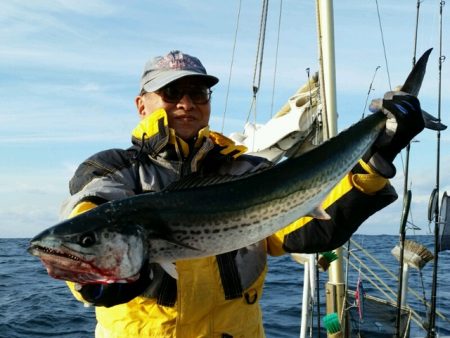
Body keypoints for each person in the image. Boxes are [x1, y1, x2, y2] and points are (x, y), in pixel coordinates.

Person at [63, 50, 424, 337]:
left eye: (198, 93)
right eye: (171, 92)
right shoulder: (111, 170)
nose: (186, 103)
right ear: (142, 104)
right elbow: (86, 228)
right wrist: (98, 282)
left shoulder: (246, 170)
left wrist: (377, 161)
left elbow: (307, 230)